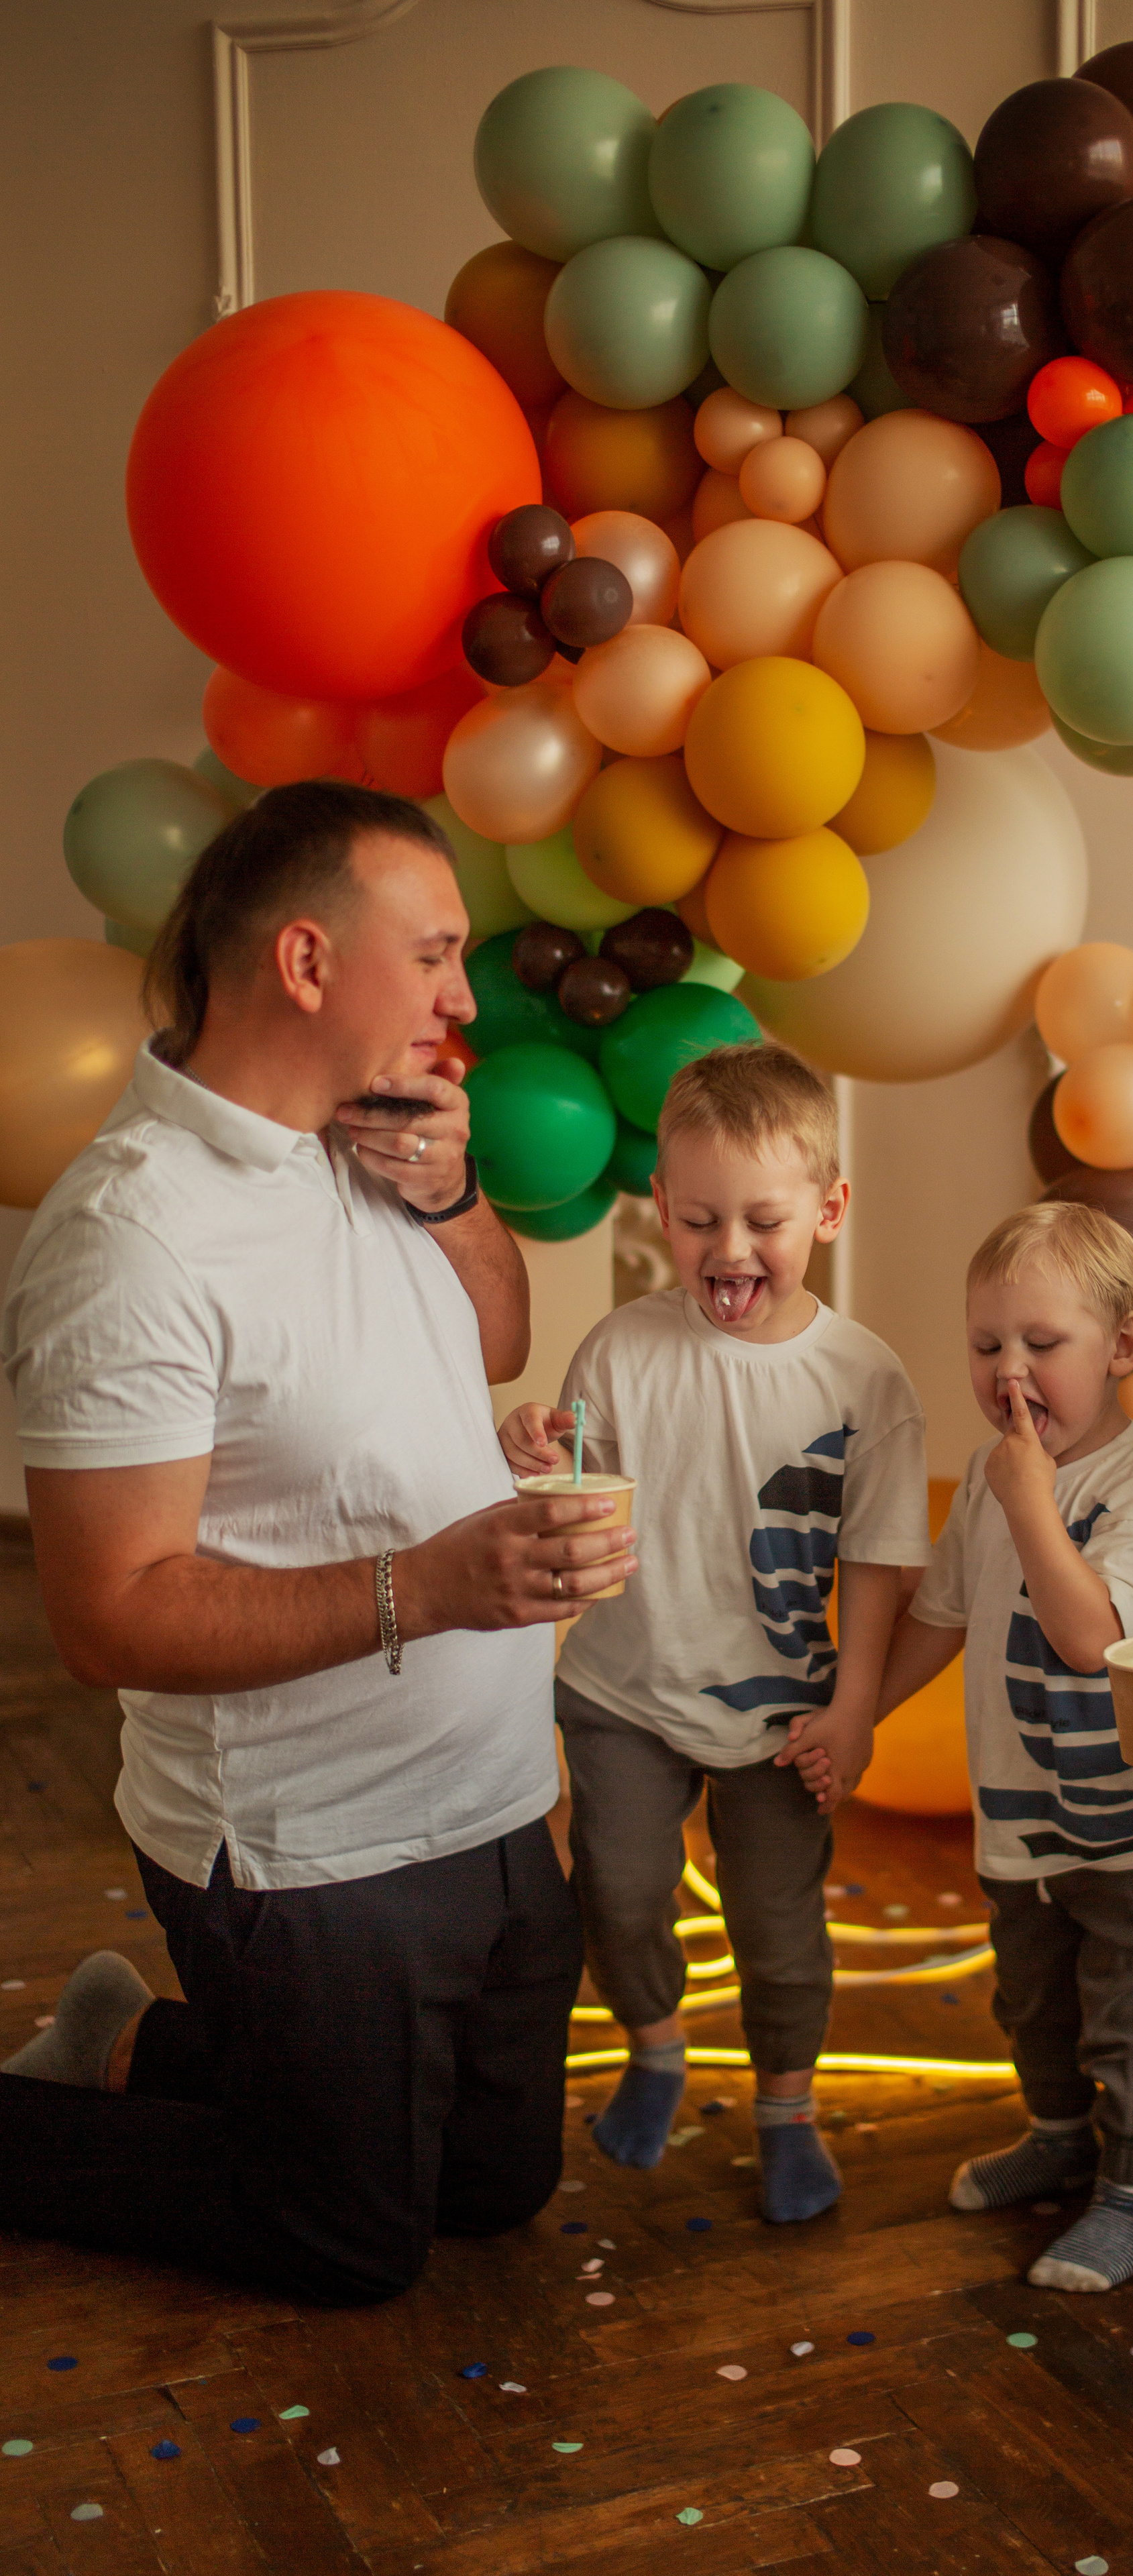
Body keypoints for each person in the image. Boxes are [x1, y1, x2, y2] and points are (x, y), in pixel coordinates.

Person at [0, 780, 633, 2306]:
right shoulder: (130, 1242)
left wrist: (460, 1191)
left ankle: (140, 2040)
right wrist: (441, 1583)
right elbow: (110, 1616)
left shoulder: (365, 1143)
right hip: (311, 1852)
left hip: (488, 1800)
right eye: (431, 955)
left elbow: (489, 1336)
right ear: (302, 963)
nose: (461, 996)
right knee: (345, 2244)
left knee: (492, 2188)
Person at [498, 1042, 929, 2222]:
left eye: (762, 1221)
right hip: (624, 1691)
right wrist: (537, 1448)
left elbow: (885, 1561)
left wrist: (854, 1709)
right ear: (661, 1208)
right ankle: (655, 2045)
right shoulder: (624, 1348)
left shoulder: (866, 1379)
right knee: (620, 1896)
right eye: (698, 1221)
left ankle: (787, 2106)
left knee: (778, 1927)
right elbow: (578, 1485)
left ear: (829, 1211)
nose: (728, 1252)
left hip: (787, 1716)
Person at [871, 1202, 1133, 2294]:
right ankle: (1062, 2136)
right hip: (1024, 1814)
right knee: (1033, 1998)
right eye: (986, 1346)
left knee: (1130, 2011)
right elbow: (943, 1612)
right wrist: (858, 1709)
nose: (1009, 1372)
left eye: (1041, 1345)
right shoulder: (990, 1477)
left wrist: (1030, 1505)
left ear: (1120, 1347)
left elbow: (1092, 1639)